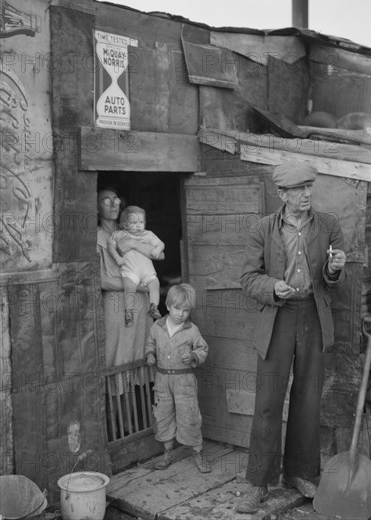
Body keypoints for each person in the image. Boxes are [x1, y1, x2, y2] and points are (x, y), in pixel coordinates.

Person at [236, 163, 346, 514]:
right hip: (278, 318)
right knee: (267, 402)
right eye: (298, 189)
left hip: (313, 316)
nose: (306, 194)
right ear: (282, 194)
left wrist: (334, 268)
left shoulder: (328, 224)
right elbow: (248, 278)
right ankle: (259, 483)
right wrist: (272, 286)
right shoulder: (263, 228)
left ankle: (299, 473)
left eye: (309, 187)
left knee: (308, 398)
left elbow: (332, 279)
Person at [97, 187, 165, 436]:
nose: (113, 203)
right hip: (116, 306)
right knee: (118, 363)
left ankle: (141, 424)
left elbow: (155, 256)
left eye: (116, 199)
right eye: (106, 199)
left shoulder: (131, 233)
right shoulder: (97, 238)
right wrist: (140, 287)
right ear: (96, 207)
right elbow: (101, 280)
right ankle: (118, 430)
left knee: (141, 358)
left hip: (140, 307)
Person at [145, 283, 211, 473]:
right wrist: (150, 354)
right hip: (162, 379)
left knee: (189, 415)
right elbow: (150, 343)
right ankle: (167, 452)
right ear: (167, 305)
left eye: (186, 310)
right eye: (177, 308)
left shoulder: (192, 330)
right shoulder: (157, 327)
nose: (181, 314)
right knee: (163, 414)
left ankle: (198, 453)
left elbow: (202, 348)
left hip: (184, 381)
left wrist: (193, 356)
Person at [108, 205, 164, 326]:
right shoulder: (119, 234)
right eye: (133, 223)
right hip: (130, 270)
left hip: (147, 271)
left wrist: (157, 249)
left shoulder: (148, 234)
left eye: (141, 222)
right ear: (125, 225)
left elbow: (161, 244)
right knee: (130, 289)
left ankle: (154, 307)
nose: (138, 225)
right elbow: (110, 245)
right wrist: (117, 258)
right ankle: (129, 313)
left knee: (155, 284)